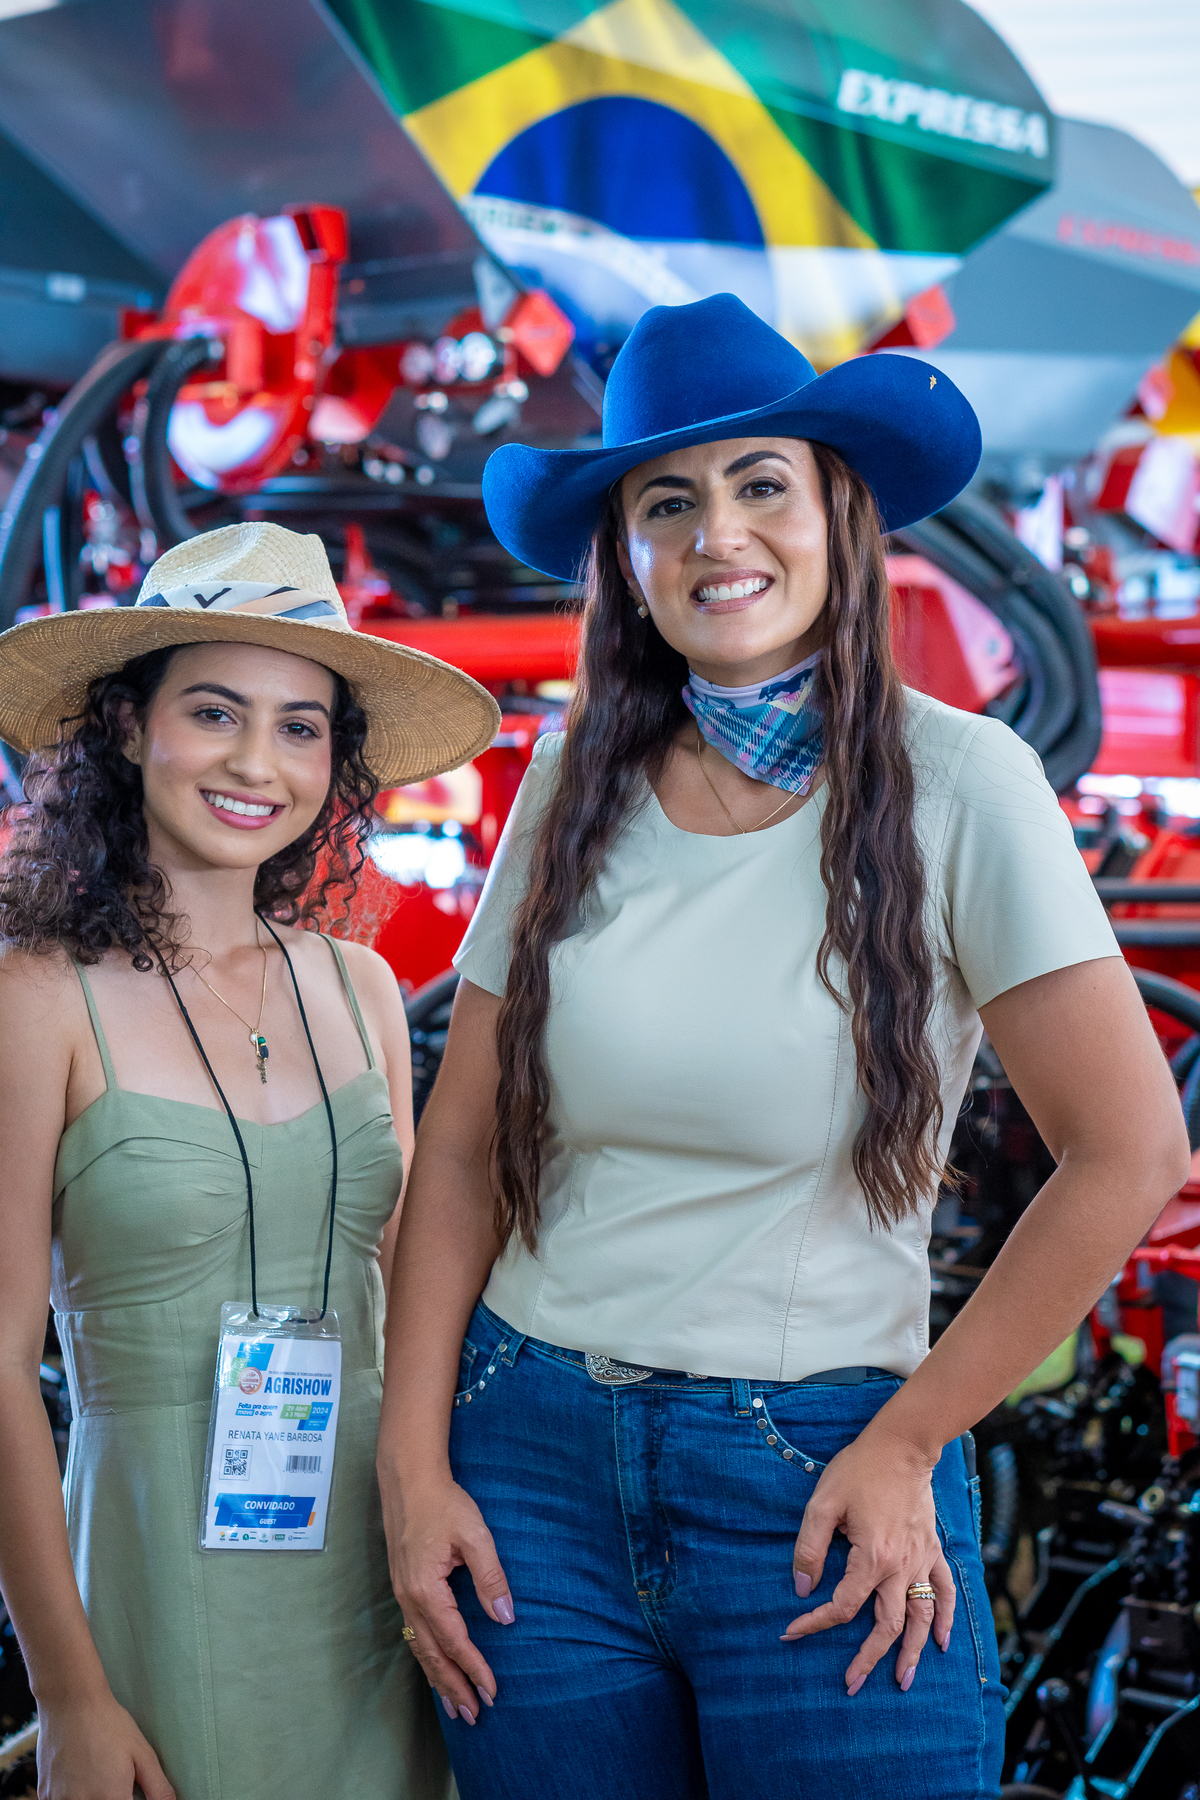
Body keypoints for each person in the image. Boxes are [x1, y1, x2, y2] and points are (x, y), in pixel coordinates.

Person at [375, 295, 1190, 1800]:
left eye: (763, 483)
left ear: (839, 515)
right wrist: (412, 1471)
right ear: (622, 552)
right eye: (664, 501)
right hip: (530, 1468)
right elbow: (469, 1149)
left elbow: (1130, 1151)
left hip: (822, 1471)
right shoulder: (571, 774)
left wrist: (910, 1441)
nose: (717, 534)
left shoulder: (963, 781)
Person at [0, 521, 498, 1800]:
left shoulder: (364, 987)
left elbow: (402, 1297)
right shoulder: (38, 1000)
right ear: (127, 727)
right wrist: (69, 1696)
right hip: (164, 1569)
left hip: (384, 1569)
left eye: (299, 727)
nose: (255, 763)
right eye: (215, 712)